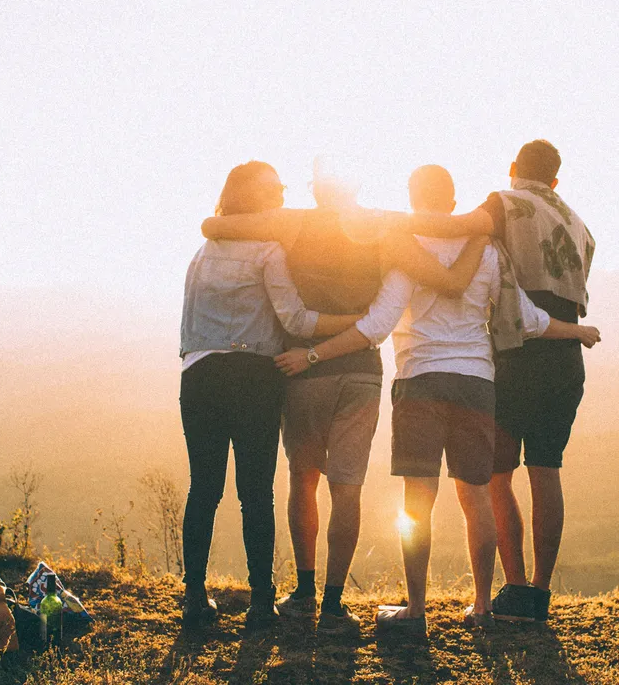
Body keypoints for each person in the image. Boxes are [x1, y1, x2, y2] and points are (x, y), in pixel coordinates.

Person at [274, 165, 600, 636]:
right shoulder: (487, 250)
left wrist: (313, 354)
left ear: (412, 198)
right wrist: (577, 331)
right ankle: (483, 607)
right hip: (476, 384)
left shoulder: (406, 248)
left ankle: (417, 610)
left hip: (419, 381)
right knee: (477, 499)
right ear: (453, 203)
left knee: (417, 502)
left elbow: (378, 325)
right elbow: (527, 318)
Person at [201, 161, 488, 634]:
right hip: (362, 370)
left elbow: (215, 225)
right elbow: (444, 252)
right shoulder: (383, 225)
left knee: (303, 477)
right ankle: (334, 605)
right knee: (347, 486)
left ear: (316, 189)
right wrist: (479, 227)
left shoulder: (292, 221)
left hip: (304, 368)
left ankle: (305, 591)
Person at [398, 140, 596, 623]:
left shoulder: (503, 203)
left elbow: (456, 228)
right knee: (546, 470)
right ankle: (539, 595)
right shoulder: (577, 223)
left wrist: (385, 225)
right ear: (555, 179)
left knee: (497, 476)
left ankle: (513, 586)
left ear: (513, 170)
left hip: (516, 353)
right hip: (565, 355)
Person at [179, 161, 363, 631]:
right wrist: (355, 323)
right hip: (253, 378)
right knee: (255, 493)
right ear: (256, 199)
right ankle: (261, 603)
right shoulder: (268, 250)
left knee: (204, 488)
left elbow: (188, 327)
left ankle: (195, 598)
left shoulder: (202, 252)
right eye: (275, 189)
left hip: (199, 375)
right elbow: (297, 321)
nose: (282, 194)